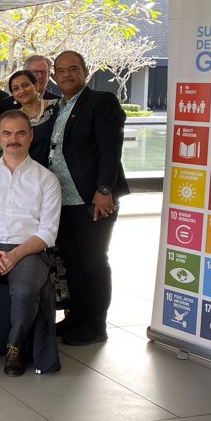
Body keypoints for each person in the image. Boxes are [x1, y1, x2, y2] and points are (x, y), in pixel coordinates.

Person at [0, 110, 61, 376]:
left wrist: (15, 255)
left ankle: (14, 347)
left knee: (26, 290)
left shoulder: (46, 180)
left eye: (19, 133)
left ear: (31, 135)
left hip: (29, 251)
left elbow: (48, 231)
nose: (13, 139)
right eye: (7, 133)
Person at [49, 51, 129, 346]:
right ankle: (76, 317)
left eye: (73, 69)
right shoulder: (58, 106)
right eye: (61, 70)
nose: (67, 75)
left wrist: (104, 190)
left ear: (85, 71)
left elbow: (111, 148)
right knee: (72, 262)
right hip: (64, 201)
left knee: (94, 261)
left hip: (93, 199)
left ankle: (96, 325)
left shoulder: (101, 102)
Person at [6, 70, 58, 165]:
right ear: (13, 94)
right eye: (16, 88)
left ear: (36, 86)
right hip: (31, 173)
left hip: (63, 170)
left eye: (25, 85)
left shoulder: (57, 106)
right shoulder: (15, 119)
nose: (21, 91)